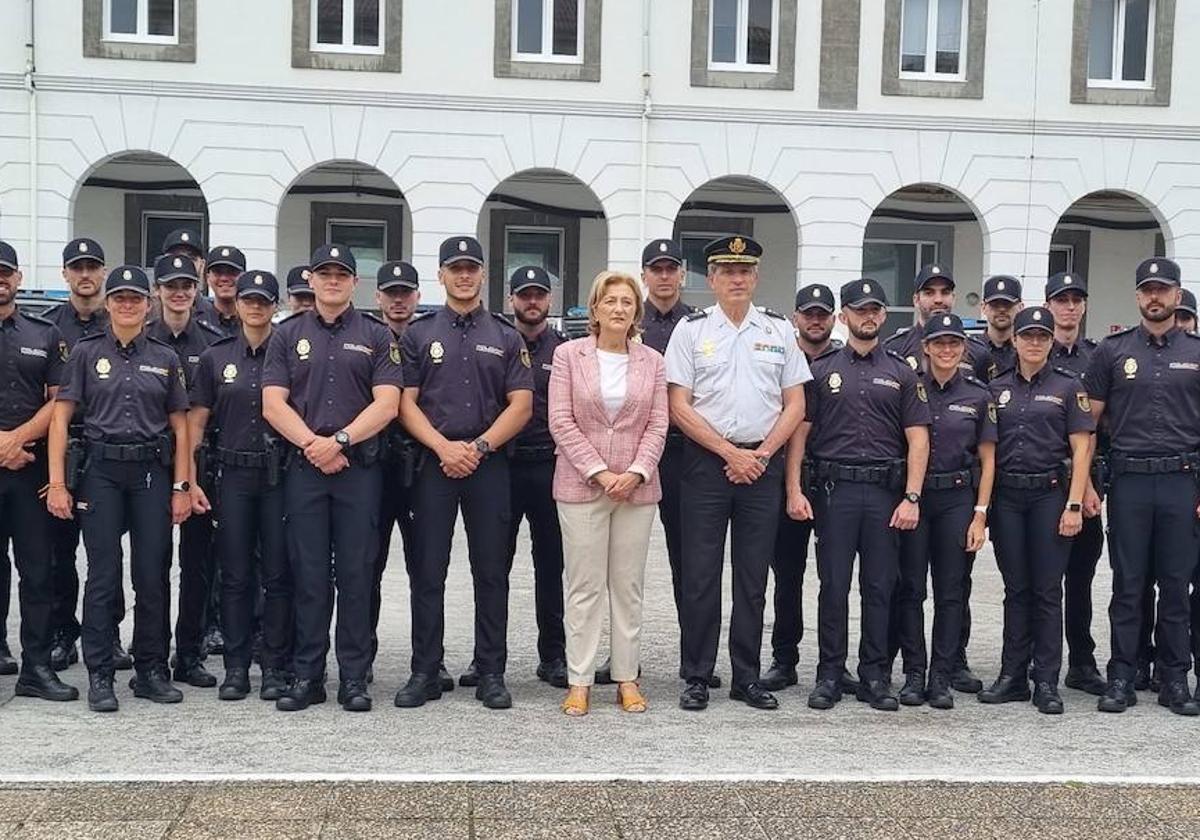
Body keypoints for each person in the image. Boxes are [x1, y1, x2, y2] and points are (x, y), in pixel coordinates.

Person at [666, 235, 809, 712]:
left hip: (761, 467)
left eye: (744, 270)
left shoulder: (778, 330)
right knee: (701, 575)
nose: (736, 278)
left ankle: (746, 675)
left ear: (756, 277)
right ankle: (698, 675)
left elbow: (796, 403)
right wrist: (730, 452)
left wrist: (762, 455)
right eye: (726, 271)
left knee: (752, 578)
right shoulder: (690, 330)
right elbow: (678, 406)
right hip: (707, 465)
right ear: (711, 278)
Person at [262, 244, 402, 713]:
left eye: (342, 274)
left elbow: (388, 403)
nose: (333, 281)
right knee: (309, 575)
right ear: (311, 279)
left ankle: (355, 678)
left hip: (359, 471)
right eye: (325, 274)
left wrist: (338, 441)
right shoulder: (287, 334)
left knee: (358, 575)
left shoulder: (376, 334)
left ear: (354, 283)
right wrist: (313, 446)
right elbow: (272, 403)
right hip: (305, 469)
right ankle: (308, 675)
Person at [47, 265, 193, 713]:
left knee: (152, 574)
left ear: (148, 305)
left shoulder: (165, 357)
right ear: (109, 304)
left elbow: (181, 427)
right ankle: (101, 674)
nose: (127, 305)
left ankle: (150, 670)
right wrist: (57, 482)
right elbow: (60, 418)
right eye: (120, 298)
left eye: (135, 298)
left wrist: (183, 485)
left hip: (150, 472)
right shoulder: (87, 354)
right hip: (102, 472)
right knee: (103, 575)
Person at [395, 236, 532, 710]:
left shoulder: (505, 336)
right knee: (427, 570)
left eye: (471, 267)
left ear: (482, 274)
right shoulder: (418, 334)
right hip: (433, 464)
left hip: (488, 465)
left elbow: (522, 404)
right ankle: (425, 670)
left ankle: (491, 671)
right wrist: (442, 447)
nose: (464, 275)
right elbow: (403, 404)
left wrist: (477, 446)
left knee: (491, 571)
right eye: (455, 268)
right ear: (441, 275)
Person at [791, 277, 930, 712]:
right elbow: (800, 433)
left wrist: (912, 497)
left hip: (886, 493)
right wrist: (793, 488)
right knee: (833, 586)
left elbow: (918, 440)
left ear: (884, 316)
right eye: (858, 309)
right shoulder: (822, 370)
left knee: (880, 586)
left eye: (874, 310)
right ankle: (830, 674)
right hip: (836, 492)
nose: (867, 316)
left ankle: (874, 676)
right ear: (843, 316)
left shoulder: (903, 373)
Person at [550, 270, 667, 716]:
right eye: (610, 301)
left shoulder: (652, 361)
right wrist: (600, 472)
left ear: (636, 311)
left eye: (627, 302)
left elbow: (659, 422)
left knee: (627, 586)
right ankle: (579, 680)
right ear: (595, 309)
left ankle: (626, 678)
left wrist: (635, 472)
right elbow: (560, 419)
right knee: (583, 587)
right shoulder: (568, 356)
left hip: (636, 490)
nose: (619, 308)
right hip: (582, 486)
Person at [1088, 258, 1200, 716]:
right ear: (1137, 297)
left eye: (1164, 290)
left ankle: (1175, 678)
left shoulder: (1196, 351)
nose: (1155, 297)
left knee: (1175, 585)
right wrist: (1091, 485)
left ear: (1177, 295)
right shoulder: (1112, 352)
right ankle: (1123, 674)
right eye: (1147, 290)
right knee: (1128, 585)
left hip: (1181, 481)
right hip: (1130, 481)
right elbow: (1089, 426)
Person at [979, 307, 1093, 714]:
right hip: (1008, 499)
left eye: (1042, 337)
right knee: (1016, 589)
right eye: (1027, 336)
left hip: (1049, 496)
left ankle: (1045, 680)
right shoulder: (996, 387)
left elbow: (1082, 450)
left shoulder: (1068, 386)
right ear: (1015, 340)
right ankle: (1013, 675)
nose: (1034, 343)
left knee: (1047, 590)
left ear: (1050, 342)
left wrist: (1074, 503)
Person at [187, 270, 294, 702]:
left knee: (278, 575)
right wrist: (190, 478)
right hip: (230, 476)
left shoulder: (287, 352)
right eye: (248, 300)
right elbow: (196, 421)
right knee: (233, 575)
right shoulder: (216, 357)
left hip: (278, 477)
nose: (254, 307)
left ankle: (273, 666)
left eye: (263, 301)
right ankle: (235, 667)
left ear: (274, 306)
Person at [890, 314, 995, 709]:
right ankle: (915, 673)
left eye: (954, 343)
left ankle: (941, 676)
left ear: (963, 349)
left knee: (951, 592)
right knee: (912, 589)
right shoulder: (909, 390)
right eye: (940, 343)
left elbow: (988, 460)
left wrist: (980, 514)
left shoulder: (978, 395)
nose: (947, 350)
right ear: (926, 348)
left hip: (956, 498)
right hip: (918, 499)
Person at [43, 237, 129, 673]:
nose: (85, 275)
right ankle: (63, 633)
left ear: (102, 272)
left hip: (106, 456)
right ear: (65, 275)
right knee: (60, 549)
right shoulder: (49, 328)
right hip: (62, 449)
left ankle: (109, 634)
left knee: (105, 552)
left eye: (92, 267)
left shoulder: (122, 322)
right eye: (77, 268)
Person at [0, 240, 79, 701]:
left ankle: (35, 667)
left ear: (19, 279)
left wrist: (15, 439)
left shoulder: (43, 333)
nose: (1, 280)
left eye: (6, 272)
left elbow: (59, 402)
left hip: (29, 469)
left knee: (38, 572)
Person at [370, 260, 450, 690]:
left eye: (405, 292)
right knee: (366, 567)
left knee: (426, 569)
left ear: (418, 296)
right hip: (373, 467)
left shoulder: (430, 336)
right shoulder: (366, 337)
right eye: (390, 293)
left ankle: (429, 662)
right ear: (378, 297)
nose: (398, 300)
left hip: (420, 466)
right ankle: (361, 659)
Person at [762, 284, 845, 693]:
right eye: (808, 314)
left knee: (836, 577)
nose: (816, 320)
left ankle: (837, 662)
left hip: (835, 480)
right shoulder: (778, 356)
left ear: (834, 318)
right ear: (795, 318)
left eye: (822, 314)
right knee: (787, 575)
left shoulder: (847, 359)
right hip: (785, 480)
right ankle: (784, 658)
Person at [147, 255, 223, 688]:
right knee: (153, 566)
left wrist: (193, 475)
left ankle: (189, 655)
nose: (179, 293)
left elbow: (205, 414)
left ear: (197, 290)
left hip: (198, 467)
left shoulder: (210, 345)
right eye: (170, 285)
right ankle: (152, 653)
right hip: (151, 467)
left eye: (186, 285)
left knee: (197, 566)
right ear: (157, 290)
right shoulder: (142, 338)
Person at [635, 238, 702, 685]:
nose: (663, 276)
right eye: (655, 269)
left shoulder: (698, 326)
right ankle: (622, 657)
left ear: (681, 274)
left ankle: (691, 657)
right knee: (623, 561)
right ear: (644, 275)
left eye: (670, 268)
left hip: (681, 454)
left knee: (688, 558)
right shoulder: (623, 318)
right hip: (631, 455)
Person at [1044, 271, 1108, 697]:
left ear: (1083, 306)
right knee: (1041, 578)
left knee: (1081, 578)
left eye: (1075, 300)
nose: (1069, 307)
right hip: (1046, 484)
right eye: (1061, 300)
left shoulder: (1098, 358)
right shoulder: (1032, 353)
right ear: (1048, 305)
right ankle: (1035, 659)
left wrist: (1087, 485)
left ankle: (1081, 662)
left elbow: (1101, 425)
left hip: (1088, 483)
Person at [505, 266, 568, 688]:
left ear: (549, 300)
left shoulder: (566, 351)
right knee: (493, 567)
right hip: (503, 467)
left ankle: (555, 656)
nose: (532, 302)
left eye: (539, 295)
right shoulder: (497, 344)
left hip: (550, 465)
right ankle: (486, 658)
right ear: (511, 300)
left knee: (552, 567)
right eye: (524, 295)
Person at [972, 276, 1023, 382]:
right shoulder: (970, 349)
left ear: (1020, 308)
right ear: (983, 308)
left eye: (1007, 304)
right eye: (995, 305)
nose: (1001, 310)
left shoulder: (1026, 349)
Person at [201, 247, 245, 337]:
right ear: (207, 278)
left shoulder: (254, 322)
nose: (224, 278)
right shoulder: (196, 324)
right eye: (218, 272)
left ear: (244, 276)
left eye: (232, 272)